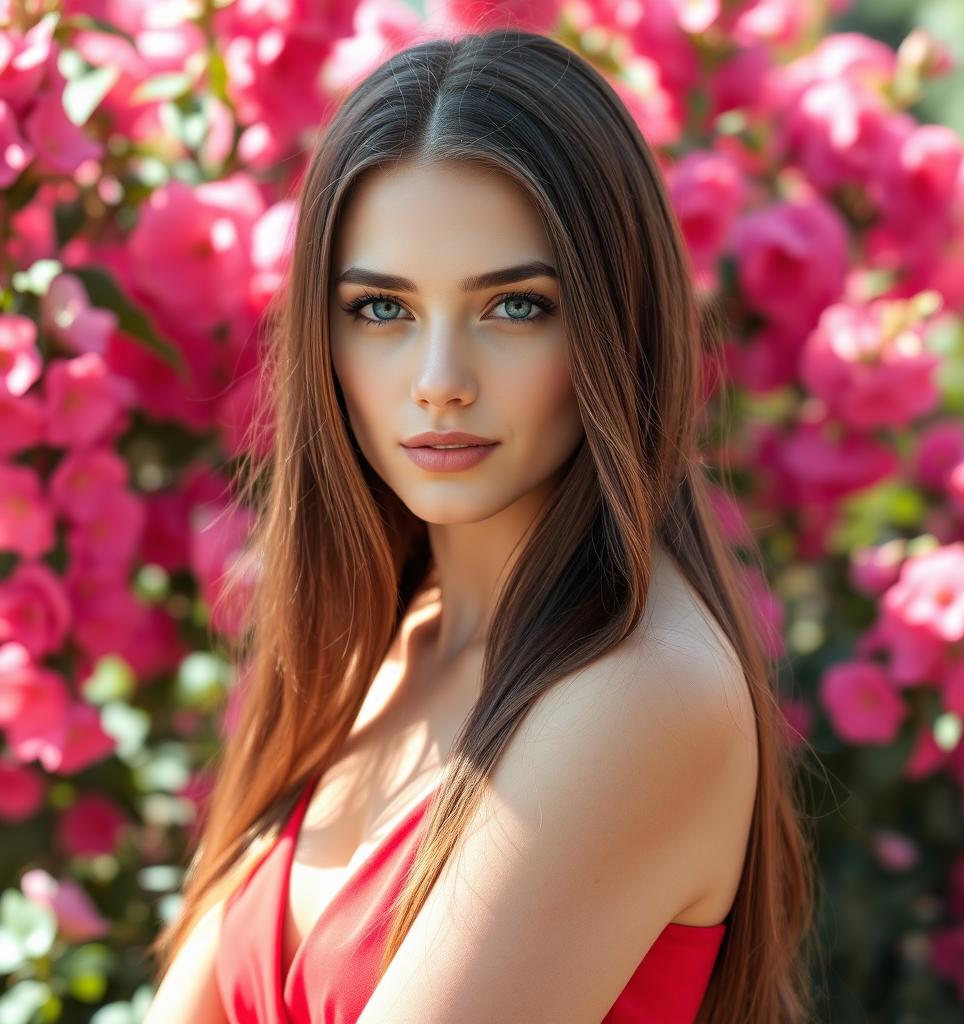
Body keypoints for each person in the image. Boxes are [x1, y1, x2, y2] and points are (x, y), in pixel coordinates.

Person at [144, 26, 816, 1024]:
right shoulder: (379, 637)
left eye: (513, 306)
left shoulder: (639, 692)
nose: (439, 383)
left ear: (612, 321)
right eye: (381, 310)